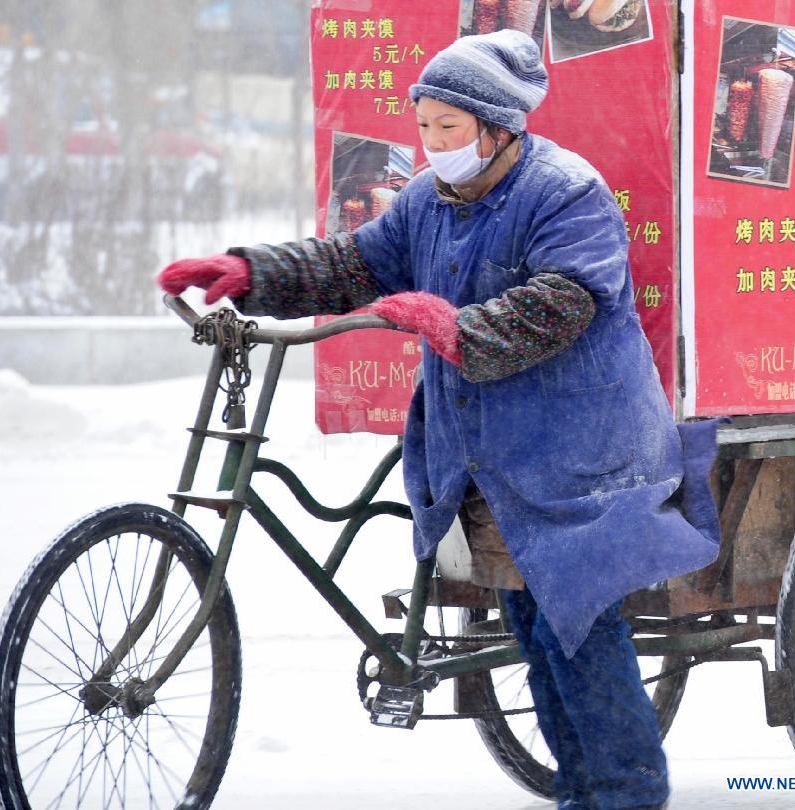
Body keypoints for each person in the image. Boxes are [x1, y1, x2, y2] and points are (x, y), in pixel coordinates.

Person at [158, 29, 724, 810]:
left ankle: (626, 793)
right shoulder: (426, 199)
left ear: (498, 128)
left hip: (582, 450)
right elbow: (352, 263)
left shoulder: (566, 191)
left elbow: (568, 300)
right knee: (533, 627)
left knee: (579, 631)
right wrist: (252, 272)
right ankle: (585, 792)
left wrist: (457, 328)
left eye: (447, 130)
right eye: (423, 127)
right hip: (494, 452)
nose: (431, 146)